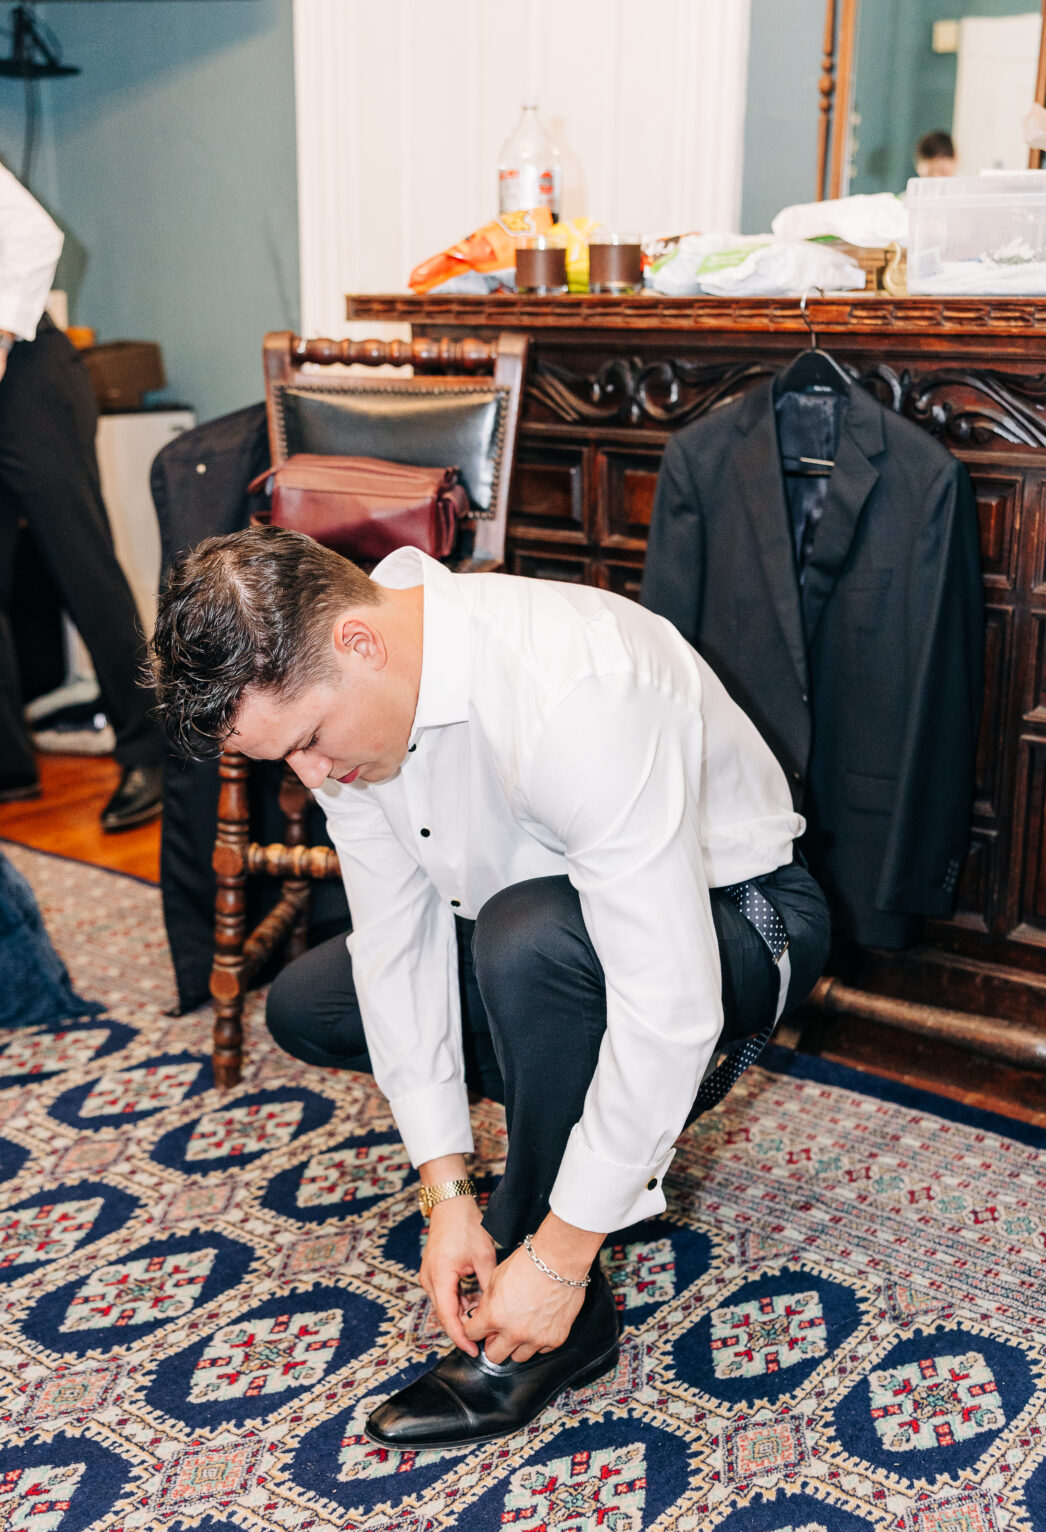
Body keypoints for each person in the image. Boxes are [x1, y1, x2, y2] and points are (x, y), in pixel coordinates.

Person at [151, 526, 831, 1449]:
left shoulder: (576, 689)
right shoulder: (352, 717)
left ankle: (564, 1294)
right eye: (287, 762)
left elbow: (670, 1001)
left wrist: (557, 1251)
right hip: (554, 927)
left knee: (528, 942)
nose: (311, 778)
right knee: (314, 1003)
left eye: (309, 741)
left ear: (358, 640)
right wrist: (446, 1192)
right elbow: (396, 946)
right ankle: (583, 1136)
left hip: (744, 917)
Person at [0, 159, 162, 829]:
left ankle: (152, 751)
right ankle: (9, 771)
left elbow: (32, 235)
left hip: (27, 374)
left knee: (82, 564)